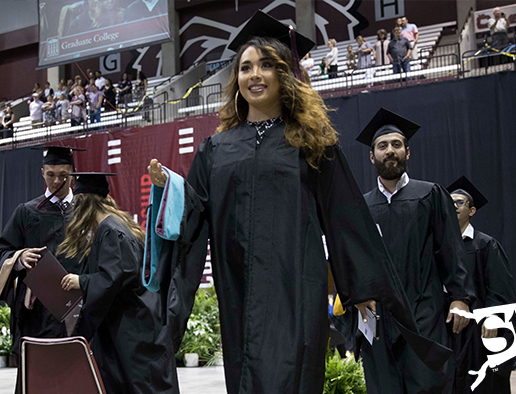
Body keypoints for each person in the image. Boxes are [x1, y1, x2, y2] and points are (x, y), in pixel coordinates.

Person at [145, 11, 450, 394]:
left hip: (295, 286)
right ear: (236, 79)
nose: (254, 75)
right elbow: (194, 212)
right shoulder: (216, 149)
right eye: (245, 68)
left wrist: (361, 287)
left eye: (266, 66)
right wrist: (169, 188)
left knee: (292, 374)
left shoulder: (310, 143)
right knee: (246, 377)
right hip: (238, 288)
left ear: (284, 75)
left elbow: (345, 217)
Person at [353, 107, 475, 394]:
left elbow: (451, 249)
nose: (390, 151)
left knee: (428, 384)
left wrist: (460, 298)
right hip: (379, 316)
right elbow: (355, 259)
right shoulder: (361, 206)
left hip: (425, 311)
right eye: (382, 146)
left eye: (396, 145)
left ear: (408, 152)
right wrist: (357, 295)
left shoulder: (430, 194)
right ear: (372, 156)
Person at [59, 173, 172, 394]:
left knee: (135, 386)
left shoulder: (111, 230)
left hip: (130, 328)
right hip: (134, 324)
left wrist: (80, 281)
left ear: (83, 201)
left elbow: (113, 278)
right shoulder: (117, 224)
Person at [0, 146, 85, 394]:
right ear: (42, 173)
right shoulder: (27, 212)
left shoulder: (86, 213)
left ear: (73, 175)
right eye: (51, 174)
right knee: (38, 381)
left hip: (80, 313)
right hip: (38, 316)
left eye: (63, 175)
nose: (56, 181)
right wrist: (19, 258)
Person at [447, 176, 516, 394]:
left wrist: (494, 317)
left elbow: (500, 288)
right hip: (445, 327)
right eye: (448, 202)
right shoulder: (436, 246)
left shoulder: (485, 245)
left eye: (459, 202)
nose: (453, 206)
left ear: (472, 210)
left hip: (479, 329)